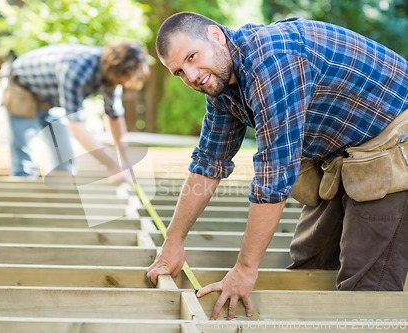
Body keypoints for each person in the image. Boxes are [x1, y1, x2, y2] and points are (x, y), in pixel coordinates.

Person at [146, 12, 408, 320]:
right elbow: (208, 163)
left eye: (192, 57)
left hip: (392, 141)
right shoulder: (221, 85)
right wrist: (173, 242)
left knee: (365, 285)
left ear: (216, 36)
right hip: (339, 151)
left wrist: (244, 270)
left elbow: (273, 179)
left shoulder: (272, 61)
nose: (191, 76)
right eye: (179, 71)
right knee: (310, 262)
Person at [1, 42, 150, 180]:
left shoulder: (114, 77)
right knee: (26, 164)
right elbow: (77, 129)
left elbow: (115, 118)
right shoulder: (76, 71)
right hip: (22, 87)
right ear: (115, 69)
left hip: (50, 99)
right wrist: (112, 166)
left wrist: (125, 162)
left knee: (65, 164)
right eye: (125, 79)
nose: (127, 83)